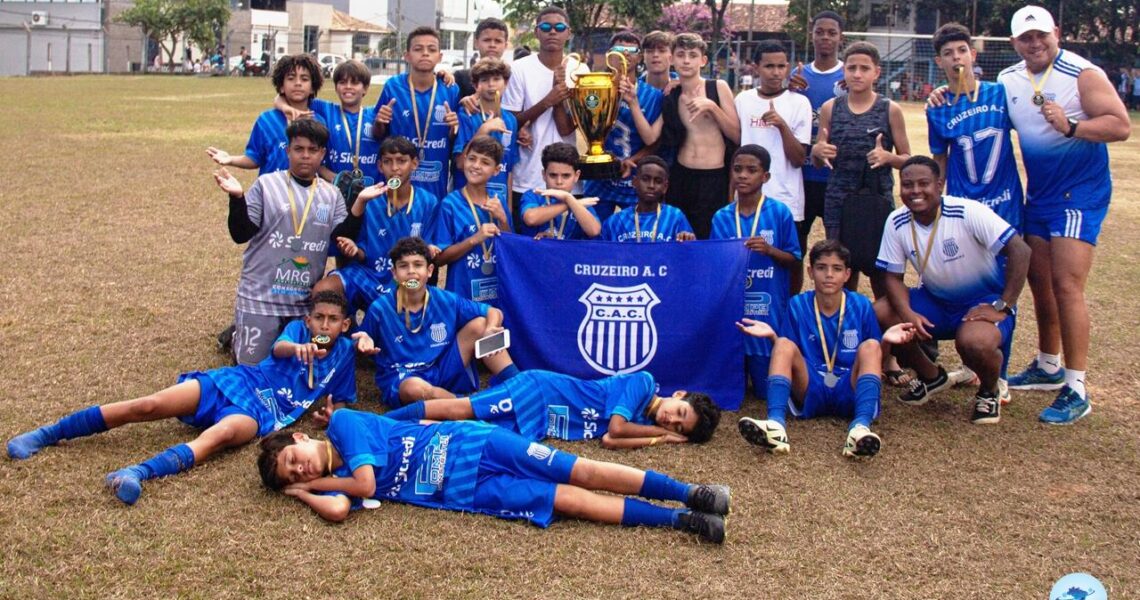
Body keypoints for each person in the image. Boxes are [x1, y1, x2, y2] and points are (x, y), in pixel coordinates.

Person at [7, 291, 372, 505]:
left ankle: (136, 474)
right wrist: (298, 348)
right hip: (236, 380)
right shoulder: (297, 332)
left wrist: (330, 415)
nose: (324, 325)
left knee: (220, 436)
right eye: (319, 318)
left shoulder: (343, 355)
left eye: (333, 320)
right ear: (308, 320)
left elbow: (340, 400)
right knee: (147, 405)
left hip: (263, 413)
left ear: (344, 325)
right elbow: (278, 349)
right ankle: (46, 434)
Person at [257, 409, 729, 542]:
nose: (300, 470)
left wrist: (312, 481)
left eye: (291, 462)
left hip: (477, 444)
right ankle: (681, 521)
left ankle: (688, 491)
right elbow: (340, 509)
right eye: (292, 475)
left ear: (298, 440)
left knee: (580, 470)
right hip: (470, 490)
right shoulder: (328, 484)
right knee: (567, 499)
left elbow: (360, 487)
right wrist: (303, 492)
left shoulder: (341, 425)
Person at [997, 6, 1131, 424]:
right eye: (1026, 38)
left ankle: (1077, 387)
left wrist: (1072, 127)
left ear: (1056, 33)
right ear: (1015, 42)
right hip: (1040, 194)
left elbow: (1120, 125)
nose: (1035, 44)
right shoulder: (1008, 80)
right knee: (1040, 281)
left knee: (1066, 283)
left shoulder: (1082, 73)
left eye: (1042, 36)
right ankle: (1048, 364)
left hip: (1080, 193)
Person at [874, 157, 1031, 424]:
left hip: (981, 302)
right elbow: (893, 277)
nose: (915, 191)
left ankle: (988, 392)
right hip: (937, 301)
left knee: (974, 343)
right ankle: (932, 377)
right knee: (881, 312)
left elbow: (1020, 250)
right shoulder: (897, 220)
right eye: (907, 184)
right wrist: (908, 313)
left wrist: (1003, 305)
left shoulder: (968, 211)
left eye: (923, 184)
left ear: (939, 184)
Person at [736, 240, 915, 457]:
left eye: (837, 269)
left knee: (870, 345)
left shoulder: (861, 305)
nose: (829, 274)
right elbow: (788, 356)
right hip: (811, 384)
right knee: (783, 343)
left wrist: (885, 341)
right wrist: (773, 337)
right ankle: (775, 425)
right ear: (811, 272)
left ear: (847, 274)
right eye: (821, 268)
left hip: (849, 385)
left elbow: (877, 358)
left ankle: (860, 428)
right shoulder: (797, 304)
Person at [213, 119, 348, 365]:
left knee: (297, 368)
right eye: (299, 149)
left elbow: (343, 236)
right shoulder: (267, 184)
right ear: (287, 151)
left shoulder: (332, 194)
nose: (305, 156)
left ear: (323, 153)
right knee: (252, 370)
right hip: (261, 298)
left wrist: (359, 204)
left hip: (303, 306)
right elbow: (240, 233)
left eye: (312, 150)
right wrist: (237, 198)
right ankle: (237, 337)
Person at [360, 237, 519, 407]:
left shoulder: (446, 299)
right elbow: (360, 339)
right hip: (405, 377)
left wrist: (490, 328)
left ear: (429, 270)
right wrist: (362, 342)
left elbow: (493, 312)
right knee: (414, 389)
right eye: (403, 266)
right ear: (394, 273)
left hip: (441, 368)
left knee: (481, 324)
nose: (411, 271)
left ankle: (520, 385)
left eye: (418, 265)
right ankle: (474, 407)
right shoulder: (380, 308)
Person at [381, 369, 720, 448]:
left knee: (463, 430)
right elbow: (616, 429)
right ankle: (377, 422)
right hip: (540, 392)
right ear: (679, 394)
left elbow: (609, 442)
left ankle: (402, 424)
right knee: (461, 411)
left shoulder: (642, 422)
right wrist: (660, 432)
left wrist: (656, 440)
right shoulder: (644, 384)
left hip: (542, 423)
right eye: (680, 412)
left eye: (678, 428)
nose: (671, 420)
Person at [811, 41, 911, 298]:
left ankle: (884, 330)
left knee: (880, 273)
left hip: (876, 201)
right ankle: (844, 325)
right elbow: (818, 158)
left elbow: (908, 160)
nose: (857, 74)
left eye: (864, 68)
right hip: (839, 202)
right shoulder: (831, 108)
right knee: (843, 269)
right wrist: (817, 152)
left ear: (876, 72)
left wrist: (888, 157)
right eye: (852, 67)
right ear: (844, 70)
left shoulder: (890, 109)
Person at [710, 146, 801, 403]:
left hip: (768, 312)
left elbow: (794, 259)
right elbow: (715, 265)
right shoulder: (722, 217)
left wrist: (770, 250)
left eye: (752, 170)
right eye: (737, 169)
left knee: (763, 392)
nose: (743, 176)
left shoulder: (779, 213)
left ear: (766, 177)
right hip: (735, 313)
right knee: (731, 389)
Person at [312, 136, 441, 313]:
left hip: (403, 277)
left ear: (414, 164)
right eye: (388, 162)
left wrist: (431, 249)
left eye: (402, 161)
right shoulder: (369, 197)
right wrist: (355, 250)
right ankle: (348, 334)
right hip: (368, 273)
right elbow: (359, 249)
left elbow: (428, 251)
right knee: (324, 290)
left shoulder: (428, 202)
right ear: (380, 166)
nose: (395, 168)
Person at [927, 23, 1024, 230]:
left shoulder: (1000, 93)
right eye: (948, 53)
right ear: (939, 61)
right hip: (963, 204)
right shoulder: (937, 108)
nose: (956, 57)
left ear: (972, 54)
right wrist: (934, 199)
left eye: (962, 50)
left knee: (1011, 260)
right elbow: (940, 159)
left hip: (1005, 202)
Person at [734, 40, 811, 293]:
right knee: (748, 260)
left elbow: (799, 158)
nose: (776, 72)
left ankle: (789, 312)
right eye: (769, 66)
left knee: (790, 261)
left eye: (781, 66)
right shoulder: (743, 100)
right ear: (756, 68)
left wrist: (781, 125)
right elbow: (735, 149)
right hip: (747, 199)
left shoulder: (799, 103)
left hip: (786, 198)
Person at [659, 33, 741, 240]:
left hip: (714, 176)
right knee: (679, 238)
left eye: (693, 55)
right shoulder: (672, 94)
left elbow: (737, 135)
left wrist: (712, 107)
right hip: (681, 175)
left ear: (703, 60)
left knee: (709, 237)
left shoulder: (717, 88)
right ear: (672, 59)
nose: (686, 60)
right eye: (681, 55)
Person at [501, 7, 578, 224]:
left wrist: (558, 99)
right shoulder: (519, 69)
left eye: (559, 27)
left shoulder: (579, 70)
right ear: (536, 32)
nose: (552, 31)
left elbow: (565, 129)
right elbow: (512, 122)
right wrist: (548, 100)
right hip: (528, 175)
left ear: (568, 32)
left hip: (566, 177)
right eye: (545, 27)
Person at [583, 31, 665, 223]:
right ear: (609, 54)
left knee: (637, 233)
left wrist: (632, 160)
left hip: (635, 177)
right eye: (619, 49)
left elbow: (655, 141)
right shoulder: (595, 87)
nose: (625, 54)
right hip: (600, 177)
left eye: (631, 50)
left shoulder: (653, 95)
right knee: (592, 232)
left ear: (640, 56)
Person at [789, 11, 847, 275]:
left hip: (837, 178)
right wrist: (786, 89)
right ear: (811, 36)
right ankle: (794, 305)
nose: (825, 37)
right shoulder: (797, 76)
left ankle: (845, 308)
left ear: (840, 37)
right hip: (802, 176)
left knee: (843, 248)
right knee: (795, 248)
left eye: (831, 32)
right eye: (820, 31)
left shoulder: (850, 74)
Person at [374, 27, 460, 202]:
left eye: (431, 49)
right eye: (418, 49)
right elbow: (378, 135)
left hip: (434, 180)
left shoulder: (450, 89)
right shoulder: (392, 87)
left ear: (440, 56)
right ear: (407, 55)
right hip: (398, 179)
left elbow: (456, 141)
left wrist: (453, 129)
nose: (425, 54)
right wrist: (379, 122)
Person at [207, 54, 325, 177]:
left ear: (313, 87)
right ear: (281, 87)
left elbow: (322, 164)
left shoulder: (320, 122)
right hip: (271, 194)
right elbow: (254, 158)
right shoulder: (266, 120)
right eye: (291, 78)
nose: (298, 83)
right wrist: (230, 159)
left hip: (308, 194)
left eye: (304, 79)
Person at [433, 136, 513, 305]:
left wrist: (503, 220)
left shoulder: (499, 201)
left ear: (497, 170)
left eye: (485, 162)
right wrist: (473, 240)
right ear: (464, 160)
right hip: (463, 294)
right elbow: (439, 259)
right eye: (472, 159)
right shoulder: (450, 204)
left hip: (497, 291)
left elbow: (511, 247)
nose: (476, 166)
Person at [452, 58, 519, 205]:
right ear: (476, 85)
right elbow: (460, 164)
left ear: (506, 83)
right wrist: (484, 130)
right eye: (484, 80)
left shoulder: (511, 120)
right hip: (468, 201)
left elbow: (508, 170)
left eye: (497, 79)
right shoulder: (465, 115)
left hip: (497, 199)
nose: (491, 84)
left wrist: (507, 209)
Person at [518, 142, 602, 240]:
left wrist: (569, 199)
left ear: (576, 176)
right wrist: (570, 203)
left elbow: (594, 231)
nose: (559, 182)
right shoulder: (533, 195)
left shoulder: (581, 205)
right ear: (544, 175)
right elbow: (531, 219)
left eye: (566, 176)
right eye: (553, 175)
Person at [600, 156, 695, 242]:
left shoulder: (674, 217)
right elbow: (601, 256)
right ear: (634, 182)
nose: (651, 186)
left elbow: (691, 254)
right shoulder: (616, 221)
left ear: (665, 187)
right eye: (645, 179)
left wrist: (689, 240)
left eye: (658, 181)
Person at [454, 18, 509, 99]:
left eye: (498, 41)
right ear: (476, 43)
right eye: (487, 40)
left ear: (505, 45)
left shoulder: (513, 77)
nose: (492, 45)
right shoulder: (461, 77)